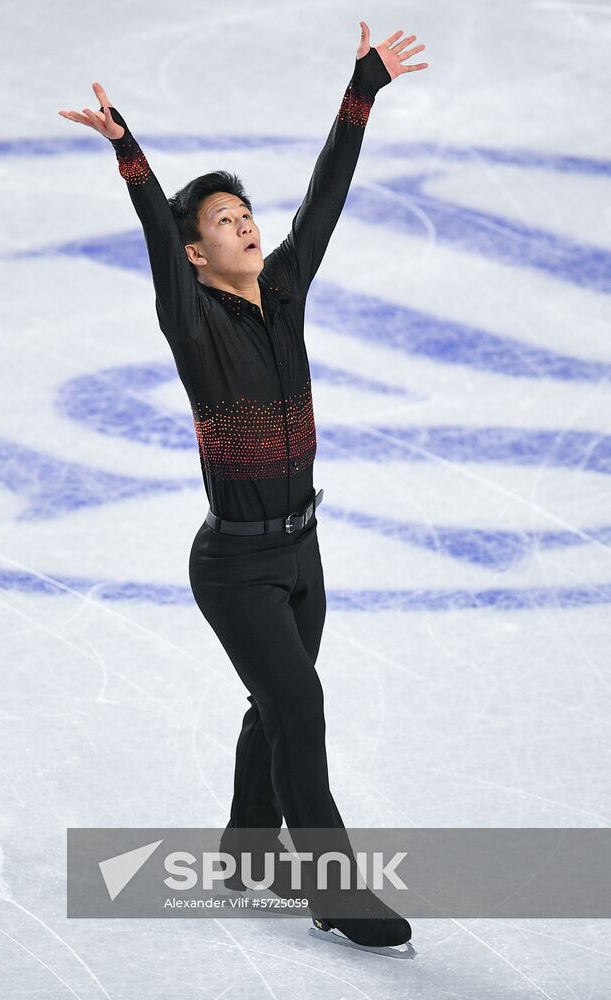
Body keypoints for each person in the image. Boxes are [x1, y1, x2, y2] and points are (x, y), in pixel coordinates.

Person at [59, 20, 428, 949]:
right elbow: (153, 232)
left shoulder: (287, 287)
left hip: (302, 546)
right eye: (224, 223)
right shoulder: (192, 321)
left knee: (277, 701)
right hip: (233, 565)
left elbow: (325, 198)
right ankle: (334, 892)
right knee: (300, 712)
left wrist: (363, 91)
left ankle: (245, 843)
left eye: (244, 214)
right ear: (196, 254)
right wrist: (131, 158)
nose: (246, 226)